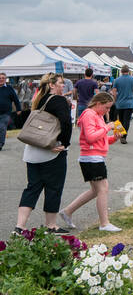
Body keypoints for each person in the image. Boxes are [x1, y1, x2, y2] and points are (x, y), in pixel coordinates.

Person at [15, 73, 73, 232]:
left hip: (33, 151)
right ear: (52, 85)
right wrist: (64, 142)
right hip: (51, 152)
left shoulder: (39, 99)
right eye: (61, 83)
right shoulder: (59, 100)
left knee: (32, 188)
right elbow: (66, 123)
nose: (63, 86)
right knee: (53, 188)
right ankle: (51, 225)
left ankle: (20, 226)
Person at [59, 90, 121, 233]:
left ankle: (67, 211)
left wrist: (114, 138)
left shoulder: (96, 115)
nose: (108, 110)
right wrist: (107, 127)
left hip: (94, 156)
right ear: (98, 103)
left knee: (96, 190)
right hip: (91, 157)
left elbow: (100, 138)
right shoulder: (89, 115)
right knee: (103, 189)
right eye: (106, 107)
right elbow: (91, 137)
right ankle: (104, 223)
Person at [113, 66, 133, 144]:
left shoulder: (116, 80)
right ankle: (124, 136)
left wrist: (115, 100)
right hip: (129, 103)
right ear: (129, 71)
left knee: (120, 120)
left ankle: (121, 135)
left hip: (120, 103)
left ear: (121, 71)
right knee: (126, 121)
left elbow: (114, 92)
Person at [0, 71, 22, 152]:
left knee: (2, 128)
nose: (1, 79)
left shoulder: (9, 88)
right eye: (0, 78)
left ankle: (0, 144)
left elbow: (16, 99)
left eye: (3, 78)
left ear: (6, 79)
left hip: (5, 113)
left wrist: (18, 109)